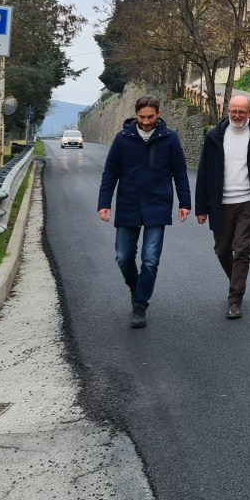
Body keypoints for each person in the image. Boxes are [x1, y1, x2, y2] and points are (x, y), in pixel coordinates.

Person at [98, 95, 191, 328]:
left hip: (157, 206)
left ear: (158, 114)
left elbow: (180, 172)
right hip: (128, 205)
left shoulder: (169, 139)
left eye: (151, 117)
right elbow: (110, 173)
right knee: (123, 256)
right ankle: (135, 286)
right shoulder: (123, 138)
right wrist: (104, 204)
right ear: (136, 115)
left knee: (150, 260)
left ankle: (140, 304)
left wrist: (184, 203)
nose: (147, 121)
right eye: (142, 117)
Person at [195, 95, 250, 319]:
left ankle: (235, 299)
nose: (237, 115)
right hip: (220, 203)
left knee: (242, 248)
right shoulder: (214, 136)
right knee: (222, 250)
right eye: (234, 111)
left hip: (249, 202)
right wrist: (200, 207)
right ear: (228, 111)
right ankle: (236, 282)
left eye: (242, 111)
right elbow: (203, 173)